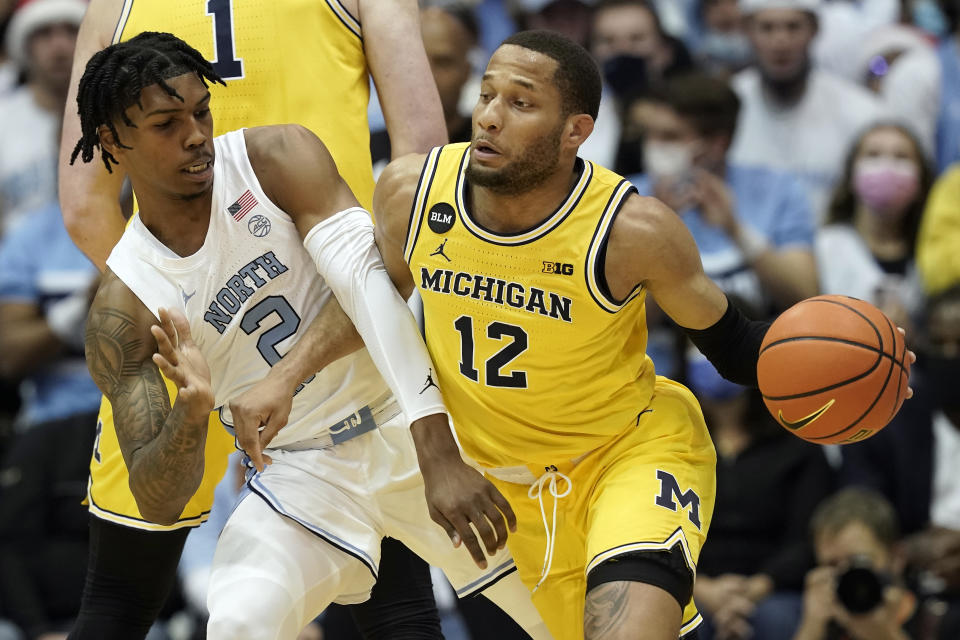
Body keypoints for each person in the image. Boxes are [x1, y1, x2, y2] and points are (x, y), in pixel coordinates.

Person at [72, 31, 549, 640]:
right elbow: (159, 501)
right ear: (113, 140)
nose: (195, 135)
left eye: (201, 111)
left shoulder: (273, 158)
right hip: (303, 473)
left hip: (412, 419)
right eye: (167, 124)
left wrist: (290, 378)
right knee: (238, 624)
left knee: (567, 614)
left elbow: (375, 285)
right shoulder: (125, 306)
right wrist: (190, 415)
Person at [372, 29, 805, 640]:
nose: (490, 118)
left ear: (577, 130)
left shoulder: (633, 230)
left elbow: (735, 347)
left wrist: (843, 357)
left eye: (521, 104)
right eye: (487, 95)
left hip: (626, 455)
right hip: (500, 489)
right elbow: (372, 315)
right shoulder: (411, 195)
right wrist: (286, 381)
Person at [627, 71, 818, 313]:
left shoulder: (778, 190)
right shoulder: (626, 197)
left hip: (761, 345)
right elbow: (625, 323)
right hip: (659, 350)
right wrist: (661, 229)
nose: (653, 146)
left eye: (670, 137)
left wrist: (735, 229)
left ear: (717, 144)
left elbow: (806, 296)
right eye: (651, 134)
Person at [729, 0, 886, 218]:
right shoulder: (725, 106)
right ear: (747, 32)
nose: (781, 41)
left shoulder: (861, 113)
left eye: (793, 27)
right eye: (767, 28)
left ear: (814, 30)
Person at [816, 122, 932, 338]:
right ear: (851, 174)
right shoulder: (825, 247)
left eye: (902, 157)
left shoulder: (933, 252)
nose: (887, 166)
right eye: (873, 154)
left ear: (921, 180)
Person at [0, 0, 84, 235]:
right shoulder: (3, 120)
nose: (59, 46)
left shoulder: (119, 119)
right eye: (44, 33)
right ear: (25, 46)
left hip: (103, 265)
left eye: (71, 30)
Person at [792, 488, 916, 640]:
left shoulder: (935, 617)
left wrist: (885, 635)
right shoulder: (823, 622)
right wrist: (811, 628)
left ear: (897, 558)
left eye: (859, 561)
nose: (846, 573)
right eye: (832, 565)